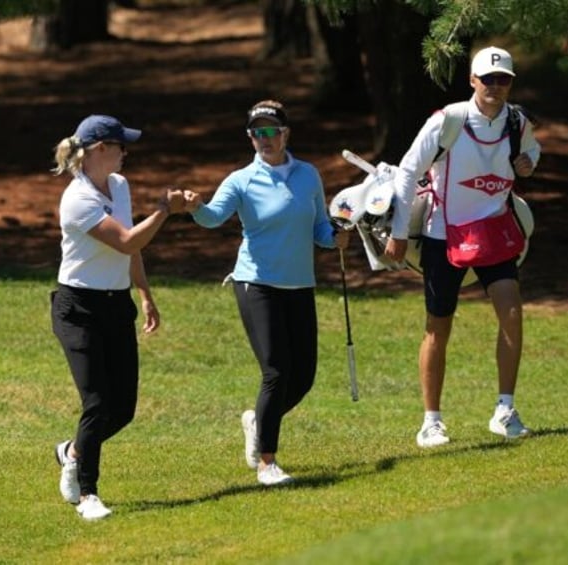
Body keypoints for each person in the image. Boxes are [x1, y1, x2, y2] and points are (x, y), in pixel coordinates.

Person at [182, 100, 350, 485]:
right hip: (255, 283)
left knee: (303, 377)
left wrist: (335, 238)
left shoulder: (308, 175)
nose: (265, 139)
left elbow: (320, 228)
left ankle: (258, 420)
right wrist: (195, 207)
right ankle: (266, 462)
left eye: (272, 131)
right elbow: (212, 218)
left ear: (286, 134)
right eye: (258, 133)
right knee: (276, 371)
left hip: (299, 285)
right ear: (250, 138)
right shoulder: (241, 180)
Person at [382, 46, 541, 448]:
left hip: (495, 230)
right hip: (441, 234)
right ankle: (430, 421)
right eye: (487, 79)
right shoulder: (448, 121)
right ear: (472, 81)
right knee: (438, 326)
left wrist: (529, 164)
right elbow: (407, 172)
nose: (495, 86)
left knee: (512, 312)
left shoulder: (517, 122)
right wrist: (399, 232)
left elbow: (532, 151)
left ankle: (505, 410)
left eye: (503, 79)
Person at [50, 114, 184, 520]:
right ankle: (88, 494)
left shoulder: (120, 186)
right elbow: (127, 240)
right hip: (78, 310)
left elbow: (132, 249)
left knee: (122, 409)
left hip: (115, 304)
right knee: (97, 402)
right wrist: (164, 210)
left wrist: (144, 294)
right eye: (120, 145)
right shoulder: (78, 199)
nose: (127, 151)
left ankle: (71, 451)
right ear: (99, 150)